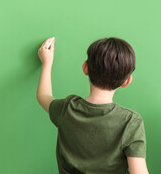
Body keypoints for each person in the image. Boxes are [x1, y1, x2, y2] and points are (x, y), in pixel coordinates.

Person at [37, 37, 149, 174]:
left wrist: (46, 63)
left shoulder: (66, 109)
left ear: (85, 68)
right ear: (127, 81)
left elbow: (43, 96)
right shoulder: (131, 122)